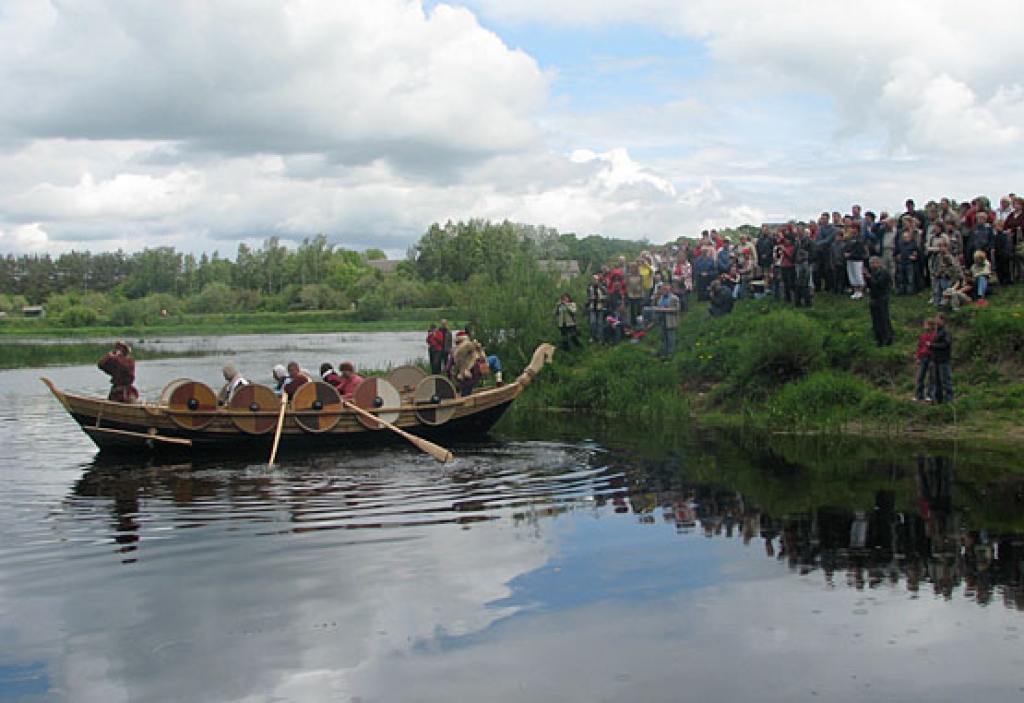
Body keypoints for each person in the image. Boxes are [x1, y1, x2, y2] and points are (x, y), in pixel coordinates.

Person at [865, 256, 893, 346]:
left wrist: (869, 278)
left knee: (883, 319)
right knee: (876, 321)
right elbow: (870, 285)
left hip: (881, 298)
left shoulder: (883, 273)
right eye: (871, 264)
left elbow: (879, 285)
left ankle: (888, 338)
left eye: (874, 263)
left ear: (879, 263)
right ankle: (879, 338)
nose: (872, 265)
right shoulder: (874, 272)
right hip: (874, 298)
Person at [928, 314, 954, 404]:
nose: (935, 321)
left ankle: (949, 399)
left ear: (943, 320)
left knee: (946, 380)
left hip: (943, 359)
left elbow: (946, 344)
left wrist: (932, 345)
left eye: (937, 319)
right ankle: (939, 399)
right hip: (936, 360)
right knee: (937, 381)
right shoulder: (937, 332)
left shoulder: (945, 332)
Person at [653, 282, 680, 357]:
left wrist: (664, 310)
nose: (665, 291)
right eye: (663, 289)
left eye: (666, 289)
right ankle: (664, 353)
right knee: (663, 337)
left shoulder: (674, 298)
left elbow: (676, 309)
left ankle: (670, 354)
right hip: (662, 320)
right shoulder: (661, 298)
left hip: (670, 321)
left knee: (670, 338)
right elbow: (657, 306)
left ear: (669, 289)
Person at [912, 319, 935, 403]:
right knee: (920, 376)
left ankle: (930, 394)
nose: (925, 326)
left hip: (931, 357)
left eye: (927, 324)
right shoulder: (923, 335)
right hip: (923, 357)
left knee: (932, 377)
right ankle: (919, 394)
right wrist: (918, 357)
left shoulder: (934, 336)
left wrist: (933, 359)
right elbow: (920, 346)